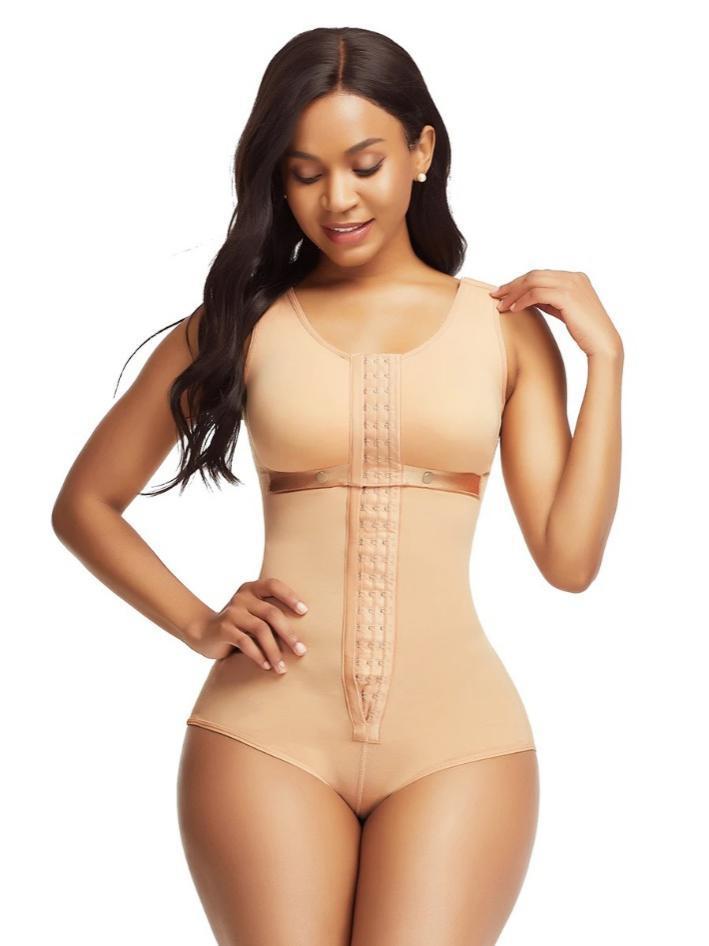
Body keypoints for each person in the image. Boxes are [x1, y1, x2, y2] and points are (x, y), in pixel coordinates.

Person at [51, 25, 623, 946]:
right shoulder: (239, 325)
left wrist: (607, 362)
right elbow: (84, 504)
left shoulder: (504, 327)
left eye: (364, 164)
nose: (338, 199)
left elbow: (569, 560)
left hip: (460, 742)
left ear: (421, 151)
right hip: (264, 735)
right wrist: (199, 623)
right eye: (304, 173)